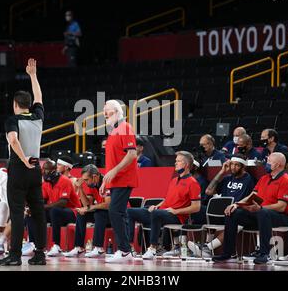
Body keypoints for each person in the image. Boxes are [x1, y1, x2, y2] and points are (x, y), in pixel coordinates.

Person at [0, 58, 47, 266]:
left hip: (19, 168)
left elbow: (13, 140)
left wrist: (23, 158)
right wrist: (33, 76)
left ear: (15, 104)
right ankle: (40, 254)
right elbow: (39, 96)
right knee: (38, 213)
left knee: (17, 213)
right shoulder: (38, 116)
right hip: (36, 169)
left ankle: (15, 255)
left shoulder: (12, 119)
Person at [212, 152, 288, 264]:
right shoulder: (264, 178)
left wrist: (260, 208)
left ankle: (264, 254)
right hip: (260, 215)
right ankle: (228, 253)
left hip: (281, 218)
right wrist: (236, 204)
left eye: (269, 161)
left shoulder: (286, 180)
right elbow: (252, 195)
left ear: (278, 165)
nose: (266, 163)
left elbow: (281, 207)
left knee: (263, 212)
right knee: (233, 212)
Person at [127, 151, 201, 260]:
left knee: (156, 214)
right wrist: (157, 206)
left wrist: (176, 211)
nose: (175, 163)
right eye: (176, 161)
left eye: (178, 161)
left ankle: (152, 249)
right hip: (162, 212)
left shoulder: (193, 183)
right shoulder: (174, 180)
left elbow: (196, 207)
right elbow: (167, 200)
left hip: (176, 216)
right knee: (130, 212)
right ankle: (129, 247)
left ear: (186, 165)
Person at [188, 155, 256, 258]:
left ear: (243, 167)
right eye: (232, 164)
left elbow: (250, 199)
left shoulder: (248, 179)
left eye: (237, 165)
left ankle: (207, 248)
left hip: (236, 213)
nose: (233, 167)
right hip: (221, 212)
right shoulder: (227, 178)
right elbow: (208, 191)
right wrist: (221, 172)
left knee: (233, 216)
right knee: (198, 209)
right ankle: (187, 245)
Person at [100, 100, 138, 263]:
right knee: (118, 213)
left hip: (124, 178)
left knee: (115, 211)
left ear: (116, 111)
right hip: (115, 180)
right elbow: (112, 162)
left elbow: (132, 154)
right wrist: (104, 182)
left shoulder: (125, 127)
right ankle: (125, 250)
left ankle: (124, 250)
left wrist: (114, 171)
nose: (104, 114)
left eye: (106, 110)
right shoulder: (114, 131)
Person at [25, 161, 81, 257]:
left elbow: (63, 203)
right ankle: (33, 244)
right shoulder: (46, 183)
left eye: (46, 170)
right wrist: (32, 206)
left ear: (54, 171)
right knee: (32, 213)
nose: (43, 172)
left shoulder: (65, 181)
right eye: (43, 170)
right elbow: (42, 200)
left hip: (73, 212)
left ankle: (57, 245)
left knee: (54, 210)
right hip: (55, 213)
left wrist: (42, 207)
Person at [63, 164, 111, 258]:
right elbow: (86, 205)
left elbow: (108, 205)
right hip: (101, 213)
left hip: (115, 215)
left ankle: (98, 248)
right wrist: (80, 188)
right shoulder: (91, 184)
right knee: (81, 213)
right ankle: (79, 247)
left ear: (95, 176)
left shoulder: (106, 182)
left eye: (86, 180)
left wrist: (90, 208)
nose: (85, 182)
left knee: (99, 213)